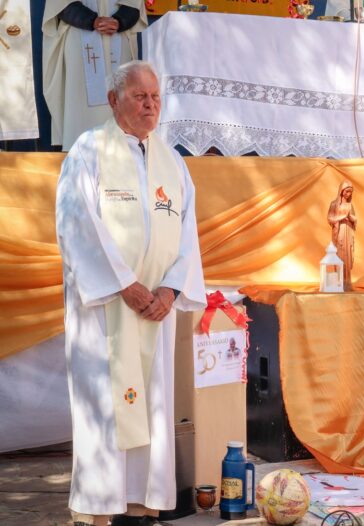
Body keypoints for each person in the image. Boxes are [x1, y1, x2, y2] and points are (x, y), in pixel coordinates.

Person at [55, 60, 206, 526]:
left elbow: (186, 232)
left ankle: (142, 506)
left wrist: (171, 288)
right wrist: (125, 284)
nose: (150, 104)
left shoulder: (172, 160)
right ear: (114, 100)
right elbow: (77, 223)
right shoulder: (88, 151)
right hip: (108, 313)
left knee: (153, 404)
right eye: (140, 96)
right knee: (106, 407)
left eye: (156, 97)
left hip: (155, 310)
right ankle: (98, 510)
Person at [42, 0, 147, 151]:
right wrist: (91, 20)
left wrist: (120, 21)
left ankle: (122, 150)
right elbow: (61, 5)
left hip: (118, 34)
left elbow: (134, 4)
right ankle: (78, 154)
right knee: (79, 98)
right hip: (79, 33)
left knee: (120, 96)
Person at [327, 181, 356, 291]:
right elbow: (330, 218)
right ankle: (339, 282)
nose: (349, 194)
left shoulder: (350, 205)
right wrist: (341, 218)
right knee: (339, 255)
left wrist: (351, 218)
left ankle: (347, 282)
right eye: (347, 191)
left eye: (350, 192)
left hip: (348, 232)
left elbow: (355, 219)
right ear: (342, 191)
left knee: (347, 256)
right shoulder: (334, 204)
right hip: (339, 233)